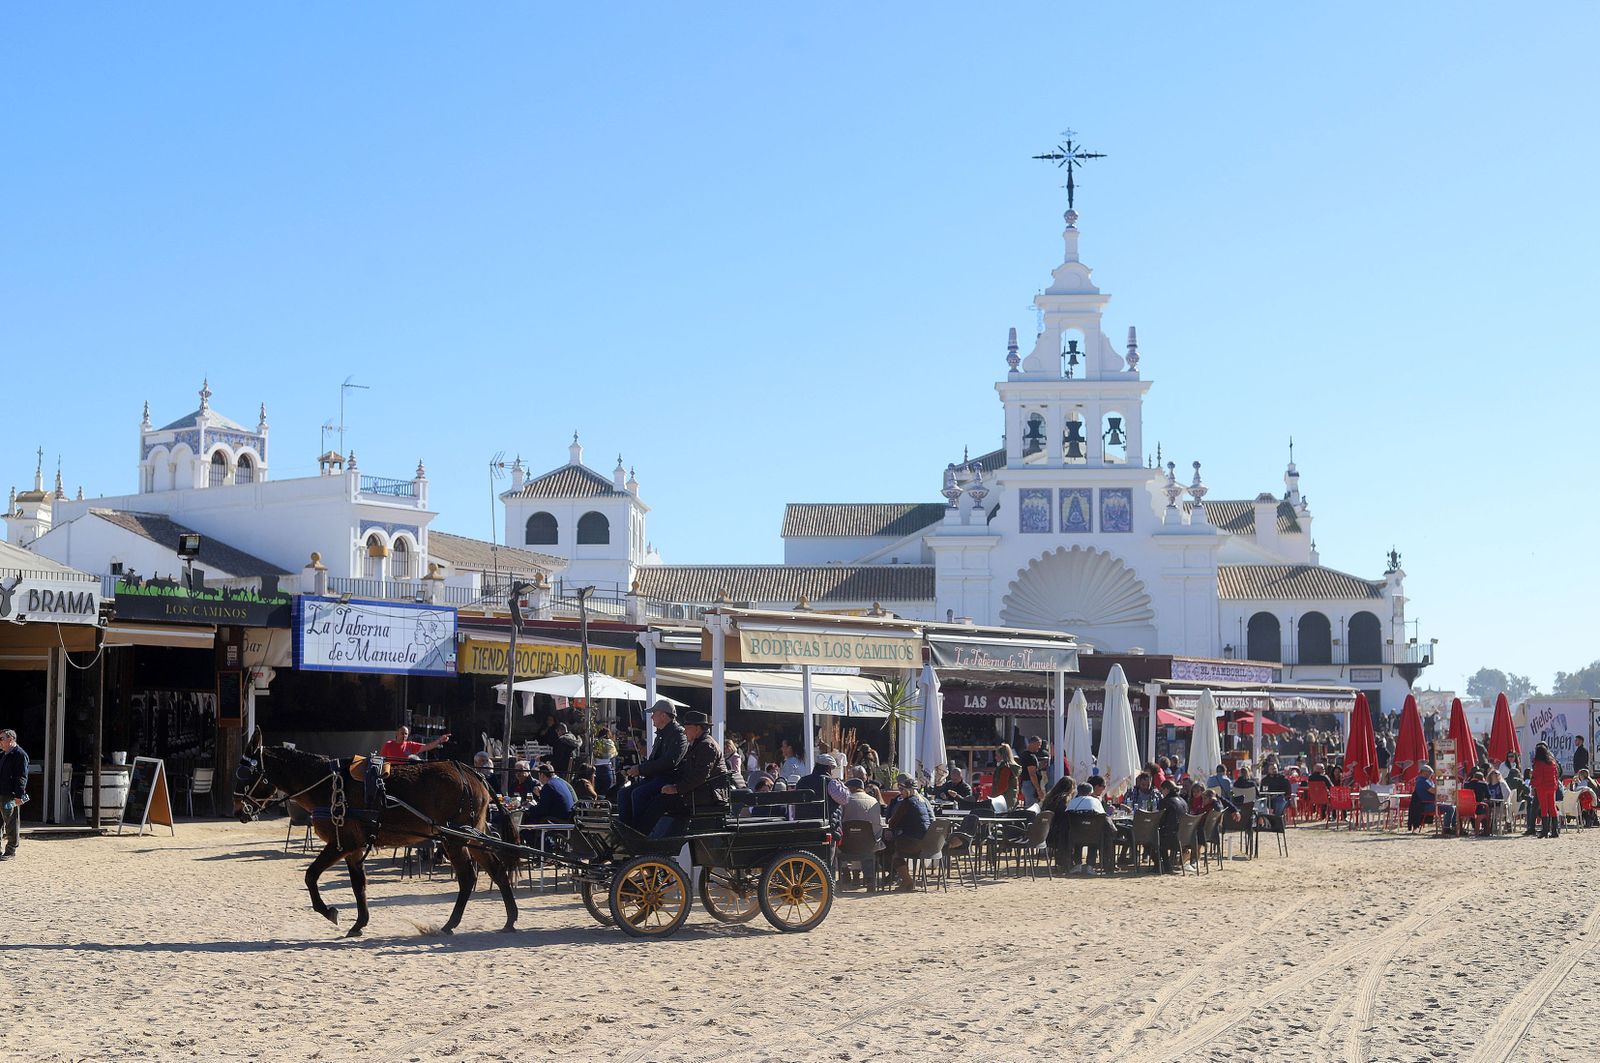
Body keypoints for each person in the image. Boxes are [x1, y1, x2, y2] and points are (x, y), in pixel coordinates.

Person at [654, 710, 731, 838]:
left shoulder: (707, 746)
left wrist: (676, 788)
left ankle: (659, 840)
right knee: (657, 793)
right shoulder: (697, 744)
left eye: (687, 728)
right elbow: (687, 770)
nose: (684, 732)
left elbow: (700, 776)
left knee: (661, 801)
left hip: (707, 796)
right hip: (699, 792)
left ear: (698, 728)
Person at [620, 700, 686, 831]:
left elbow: (670, 762)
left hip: (669, 779)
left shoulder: (679, 734)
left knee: (638, 793)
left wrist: (640, 769)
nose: (651, 718)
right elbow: (653, 760)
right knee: (623, 793)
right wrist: (636, 769)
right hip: (657, 777)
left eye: (654, 714)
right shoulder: (661, 734)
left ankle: (640, 833)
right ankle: (625, 830)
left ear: (663, 715)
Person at [885, 774, 933, 892]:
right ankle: (905, 880)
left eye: (902, 789)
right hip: (927, 842)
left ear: (908, 790)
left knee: (890, 850)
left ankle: (906, 881)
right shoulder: (922, 801)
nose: (900, 792)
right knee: (895, 847)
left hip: (914, 842)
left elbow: (893, 823)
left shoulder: (907, 802)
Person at [0, 729, 28, 860]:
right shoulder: (3, 755)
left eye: (2, 739)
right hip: (1, 793)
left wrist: (19, 795)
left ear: (10, 739)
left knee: (11, 823)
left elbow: (21, 777)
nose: (0, 742)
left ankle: (11, 851)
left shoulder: (20, 755)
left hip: (9, 795)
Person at [1157, 780, 1190, 872]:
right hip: (1186, 838)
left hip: (1172, 838)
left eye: (1162, 790)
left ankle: (1163, 865)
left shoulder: (1165, 802)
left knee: (1154, 837)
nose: (1162, 793)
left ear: (1166, 789)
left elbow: (1159, 820)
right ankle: (1167, 863)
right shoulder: (1183, 801)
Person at [1532, 741, 1561, 839]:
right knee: (1552, 807)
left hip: (1542, 787)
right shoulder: (1552, 762)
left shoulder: (1538, 763)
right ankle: (1554, 831)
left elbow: (1537, 777)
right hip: (1552, 787)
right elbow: (1556, 775)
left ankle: (1545, 831)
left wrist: (1533, 784)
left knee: (1544, 808)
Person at [378, 725, 450, 761]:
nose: (404, 735)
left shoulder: (410, 745)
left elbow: (427, 746)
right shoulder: (388, 745)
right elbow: (381, 760)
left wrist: (439, 740)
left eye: (406, 734)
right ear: (396, 733)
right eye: (402, 733)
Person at [992, 744, 1022, 811]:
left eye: (997, 755)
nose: (995, 757)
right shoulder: (1010, 767)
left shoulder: (1005, 768)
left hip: (1003, 801)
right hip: (1009, 798)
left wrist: (995, 797)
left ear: (1002, 756)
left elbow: (1003, 786)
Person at [592, 728, 619, 796]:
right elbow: (615, 754)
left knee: (596, 792)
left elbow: (593, 753)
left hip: (596, 768)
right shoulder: (610, 743)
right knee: (606, 793)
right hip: (607, 768)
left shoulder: (596, 742)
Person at [1018, 736, 1045, 805]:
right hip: (1030, 785)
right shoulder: (1030, 757)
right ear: (1033, 743)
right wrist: (1038, 790)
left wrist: (1039, 766)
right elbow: (1032, 774)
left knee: (1028, 805)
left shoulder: (1024, 754)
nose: (1039, 747)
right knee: (1031, 806)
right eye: (1039, 744)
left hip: (1025, 784)